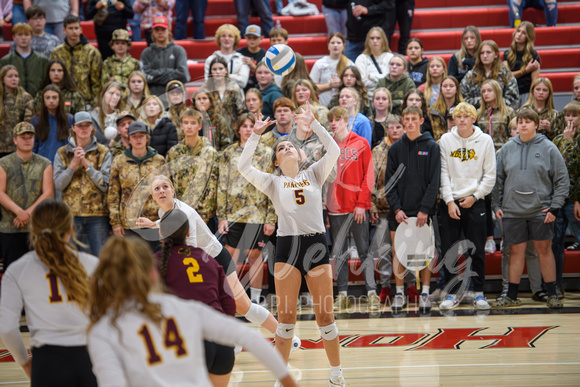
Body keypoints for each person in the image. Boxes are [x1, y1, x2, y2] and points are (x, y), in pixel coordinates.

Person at [87, 236, 297, 387]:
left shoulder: (102, 330)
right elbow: (250, 337)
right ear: (153, 273)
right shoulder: (185, 309)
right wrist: (287, 381)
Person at [238, 103, 346, 386]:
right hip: (287, 247)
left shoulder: (314, 174)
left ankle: (336, 375)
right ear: (275, 161)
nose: (285, 148)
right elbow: (243, 166)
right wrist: (256, 135)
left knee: (325, 316)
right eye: (280, 148)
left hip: (315, 245)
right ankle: (281, 380)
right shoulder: (272, 182)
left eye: (290, 146)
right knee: (286, 320)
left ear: (300, 153)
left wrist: (315, 125)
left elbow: (334, 150)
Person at [137, 175, 300, 351]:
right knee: (216, 306)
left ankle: (288, 338)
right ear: (152, 196)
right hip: (201, 261)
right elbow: (170, 223)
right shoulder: (165, 212)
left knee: (243, 306)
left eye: (165, 187)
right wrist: (154, 224)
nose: (161, 191)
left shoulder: (185, 213)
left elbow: (187, 245)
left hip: (215, 259)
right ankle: (232, 343)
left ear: (173, 190)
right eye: (157, 189)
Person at [0, 199, 98, 385]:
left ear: (33, 229)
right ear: (71, 228)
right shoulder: (92, 264)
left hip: (47, 361)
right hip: (89, 357)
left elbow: (6, 328)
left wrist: (24, 361)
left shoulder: (18, 269)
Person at [493, 109, 568, 309]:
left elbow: (562, 180)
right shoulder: (507, 149)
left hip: (540, 210)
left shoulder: (549, 148)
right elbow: (498, 180)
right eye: (520, 122)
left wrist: (555, 207)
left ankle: (552, 293)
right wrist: (496, 204)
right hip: (512, 210)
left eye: (528, 122)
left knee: (544, 250)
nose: (523, 125)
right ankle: (511, 295)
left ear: (537, 124)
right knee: (516, 252)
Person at [154, 208, 237, 385]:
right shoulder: (207, 258)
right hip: (222, 343)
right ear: (189, 232)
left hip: (190, 342)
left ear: (161, 233)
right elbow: (229, 303)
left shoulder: (156, 262)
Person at [437, 102, 496, 311]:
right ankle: (452, 294)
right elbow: (442, 173)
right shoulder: (445, 140)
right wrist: (449, 201)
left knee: (477, 250)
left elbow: (490, 176)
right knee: (449, 251)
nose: (461, 120)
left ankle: (479, 292)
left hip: (476, 201)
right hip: (450, 203)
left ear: (473, 119)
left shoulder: (485, 141)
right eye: (457, 116)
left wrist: (475, 195)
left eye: (466, 116)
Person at [385, 105, 440, 312]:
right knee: (398, 252)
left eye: (413, 119)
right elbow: (388, 184)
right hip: (399, 214)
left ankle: (424, 293)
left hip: (423, 212)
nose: (409, 122)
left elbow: (434, 182)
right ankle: (399, 294)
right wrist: (397, 209)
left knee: (425, 253)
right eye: (405, 119)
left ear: (420, 121)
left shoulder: (432, 147)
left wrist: (425, 209)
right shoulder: (395, 149)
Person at [218, 113, 276, 305]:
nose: (248, 129)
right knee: (230, 255)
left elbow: (272, 187)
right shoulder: (228, 153)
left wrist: (270, 218)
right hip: (234, 213)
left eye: (252, 125)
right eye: (244, 126)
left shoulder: (267, 153)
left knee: (254, 255)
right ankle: (231, 296)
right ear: (238, 129)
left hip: (258, 213)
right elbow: (222, 185)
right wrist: (222, 216)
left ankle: (256, 299)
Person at [325, 106, 377, 310]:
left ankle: (372, 292)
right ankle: (343, 294)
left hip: (356, 207)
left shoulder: (361, 143)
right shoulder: (327, 145)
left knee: (364, 251)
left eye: (338, 119)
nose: (334, 123)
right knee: (339, 253)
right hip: (335, 208)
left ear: (347, 121)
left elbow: (368, 176)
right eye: (331, 120)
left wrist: (362, 204)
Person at [54, 111, 111, 256]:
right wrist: (72, 166)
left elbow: (105, 185)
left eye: (88, 125)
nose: (84, 129)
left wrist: (87, 165)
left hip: (98, 215)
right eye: (80, 126)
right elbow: (58, 185)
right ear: (73, 128)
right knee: (70, 258)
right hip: (71, 214)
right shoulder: (62, 153)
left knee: (100, 259)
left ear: (92, 128)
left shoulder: (103, 152)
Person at [0, 122, 53, 270]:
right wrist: (18, 212)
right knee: (12, 271)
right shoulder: (3, 163)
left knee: (37, 271)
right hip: (10, 227)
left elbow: (48, 193)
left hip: (36, 228)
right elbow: (0, 192)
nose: (27, 140)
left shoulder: (45, 163)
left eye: (30, 137)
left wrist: (26, 213)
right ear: (15, 139)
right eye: (23, 137)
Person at [108, 121, 165, 247]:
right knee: (132, 263)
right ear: (128, 138)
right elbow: (113, 194)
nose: (138, 139)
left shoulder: (159, 160)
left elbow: (168, 193)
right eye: (134, 136)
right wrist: (116, 223)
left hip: (154, 221)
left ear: (147, 138)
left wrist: (165, 222)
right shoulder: (119, 161)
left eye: (141, 136)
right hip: (130, 224)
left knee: (154, 263)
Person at [371, 114, 405, 302]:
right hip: (383, 207)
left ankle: (408, 285)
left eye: (398, 127)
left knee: (405, 249)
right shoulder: (377, 151)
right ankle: (385, 286)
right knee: (384, 250)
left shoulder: (409, 147)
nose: (394, 130)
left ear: (404, 128)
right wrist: (372, 205)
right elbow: (371, 180)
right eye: (390, 127)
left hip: (406, 209)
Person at [166, 108, 218, 225]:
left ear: (199, 126)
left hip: (204, 213)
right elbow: (169, 182)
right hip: (180, 212)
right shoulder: (174, 152)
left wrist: (205, 211)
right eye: (186, 123)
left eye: (193, 123)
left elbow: (213, 184)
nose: (189, 127)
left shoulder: (210, 152)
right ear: (181, 126)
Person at [551, 101, 580, 299]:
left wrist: (578, 199)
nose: (570, 119)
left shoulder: (571, 140)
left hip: (575, 199)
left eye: (574, 115)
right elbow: (556, 168)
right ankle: (556, 286)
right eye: (567, 115)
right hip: (558, 199)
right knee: (556, 244)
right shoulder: (557, 140)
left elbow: (575, 166)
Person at [50, 15, 102, 108]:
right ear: (64, 30)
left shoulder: (92, 52)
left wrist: (95, 105)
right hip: (61, 102)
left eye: (76, 28)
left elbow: (97, 83)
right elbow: (52, 80)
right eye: (70, 28)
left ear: (81, 29)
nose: (74, 31)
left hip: (86, 103)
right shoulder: (57, 53)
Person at [460, 39, 519, 110]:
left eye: (488, 52)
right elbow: (462, 98)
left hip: (501, 115)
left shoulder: (505, 74)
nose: (485, 56)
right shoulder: (471, 75)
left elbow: (513, 99)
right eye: (482, 53)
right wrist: (479, 102)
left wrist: (494, 102)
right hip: (476, 115)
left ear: (496, 55)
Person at [140, 16, 190, 96]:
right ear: (153, 31)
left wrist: (155, 75)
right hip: (154, 100)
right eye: (157, 30)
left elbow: (183, 75)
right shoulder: (146, 53)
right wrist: (171, 71)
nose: (160, 32)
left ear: (169, 29)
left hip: (175, 99)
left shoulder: (179, 51)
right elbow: (145, 76)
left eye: (163, 29)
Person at [0, 22, 48, 98]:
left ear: (31, 37)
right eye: (19, 35)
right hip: (12, 104)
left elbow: (47, 84)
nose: (23, 38)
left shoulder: (42, 60)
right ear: (13, 37)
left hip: (38, 102)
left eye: (26, 35)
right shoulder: (5, 61)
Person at [502, 21, 541, 108]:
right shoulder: (507, 54)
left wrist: (530, 100)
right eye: (518, 31)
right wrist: (526, 70)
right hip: (510, 92)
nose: (519, 34)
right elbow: (507, 77)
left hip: (525, 93)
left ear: (528, 36)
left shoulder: (533, 55)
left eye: (523, 33)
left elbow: (535, 81)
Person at [309, 32, 353, 108]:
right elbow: (310, 87)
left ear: (344, 46)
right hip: (324, 106)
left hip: (344, 108)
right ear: (328, 46)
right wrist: (329, 85)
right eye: (332, 43)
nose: (335, 45)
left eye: (338, 43)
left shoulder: (349, 64)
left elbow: (356, 86)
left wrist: (342, 84)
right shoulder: (320, 63)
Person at [31, 84, 73, 163]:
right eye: (47, 98)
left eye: (54, 97)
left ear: (59, 99)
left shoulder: (69, 119)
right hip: (42, 164)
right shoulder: (36, 120)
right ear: (43, 100)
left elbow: (73, 144)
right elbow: (33, 146)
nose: (51, 100)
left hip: (63, 164)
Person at [0, 65, 35, 157]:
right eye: (10, 76)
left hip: (17, 147)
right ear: (3, 79)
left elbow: (28, 124)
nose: (14, 79)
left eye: (16, 76)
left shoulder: (26, 97)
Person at [203, 56, 245, 129]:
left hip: (232, 130)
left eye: (220, 69)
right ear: (210, 72)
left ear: (226, 70)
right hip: (211, 130)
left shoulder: (234, 88)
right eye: (214, 69)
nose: (218, 72)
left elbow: (240, 111)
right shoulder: (206, 89)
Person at [204, 24, 250, 90]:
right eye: (223, 36)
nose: (227, 39)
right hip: (216, 96)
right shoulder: (210, 59)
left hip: (237, 98)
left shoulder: (242, 59)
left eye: (230, 36)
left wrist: (219, 76)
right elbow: (208, 82)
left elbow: (243, 82)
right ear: (219, 39)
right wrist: (234, 76)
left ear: (235, 39)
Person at [476, 79, 516, 151]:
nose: (486, 94)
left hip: (503, 151)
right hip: (483, 151)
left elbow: (514, 134)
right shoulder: (478, 113)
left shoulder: (508, 112)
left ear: (497, 92)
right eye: (483, 91)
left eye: (489, 90)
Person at [355, 27, 393, 101]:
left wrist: (370, 76)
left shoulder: (390, 57)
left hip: (386, 98)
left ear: (383, 40)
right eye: (372, 38)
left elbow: (390, 80)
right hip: (366, 98)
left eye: (378, 38)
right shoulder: (361, 58)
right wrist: (382, 81)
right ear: (368, 41)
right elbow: (361, 82)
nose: (375, 41)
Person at [429, 76, 464, 142]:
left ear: (457, 89)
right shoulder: (432, 111)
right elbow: (427, 133)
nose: (448, 89)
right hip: (438, 147)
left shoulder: (465, 110)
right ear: (441, 89)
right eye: (445, 86)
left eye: (451, 86)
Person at [89, 80, 124, 145]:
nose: (114, 97)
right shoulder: (91, 117)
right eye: (111, 93)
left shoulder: (123, 117)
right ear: (102, 94)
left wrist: (115, 143)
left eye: (117, 94)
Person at [237, 24, 267, 92]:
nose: (252, 40)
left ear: (261, 38)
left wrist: (253, 66)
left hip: (260, 88)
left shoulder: (265, 55)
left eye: (255, 38)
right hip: (241, 88)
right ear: (245, 38)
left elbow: (268, 75)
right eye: (249, 38)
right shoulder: (239, 53)